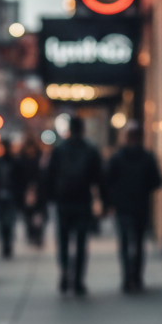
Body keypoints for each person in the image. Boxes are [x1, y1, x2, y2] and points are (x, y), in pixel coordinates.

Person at [44, 116, 102, 295]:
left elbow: (49, 176)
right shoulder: (90, 150)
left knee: (63, 241)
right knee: (81, 242)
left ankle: (64, 273)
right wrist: (103, 201)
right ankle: (77, 280)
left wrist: (49, 199)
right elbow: (99, 177)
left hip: (63, 202)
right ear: (82, 129)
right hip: (82, 201)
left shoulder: (59, 150)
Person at [103, 122, 161, 293]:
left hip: (122, 206)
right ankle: (136, 277)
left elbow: (107, 180)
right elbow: (155, 181)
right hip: (140, 205)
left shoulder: (117, 157)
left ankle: (127, 277)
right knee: (138, 241)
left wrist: (110, 202)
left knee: (124, 242)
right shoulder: (147, 157)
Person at [0, 139, 26, 258]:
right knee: (1, 223)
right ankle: (4, 244)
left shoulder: (14, 163)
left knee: (9, 222)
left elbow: (21, 180)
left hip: (11, 196)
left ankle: (8, 244)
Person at [18, 138, 46, 247]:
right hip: (25, 192)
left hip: (39, 192)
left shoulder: (40, 160)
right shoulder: (22, 161)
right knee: (28, 216)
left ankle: (38, 235)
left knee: (39, 216)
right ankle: (31, 234)